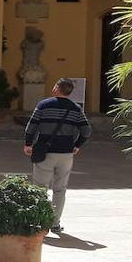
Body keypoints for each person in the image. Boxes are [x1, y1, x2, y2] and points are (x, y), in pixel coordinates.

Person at [24, 77, 91, 234]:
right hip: (66, 153)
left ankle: (40, 223)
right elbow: (86, 130)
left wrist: (28, 143)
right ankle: (55, 223)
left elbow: (31, 126)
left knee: (40, 188)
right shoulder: (76, 108)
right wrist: (77, 145)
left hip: (45, 153)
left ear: (56, 88)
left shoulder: (43, 105)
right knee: (60, 189)